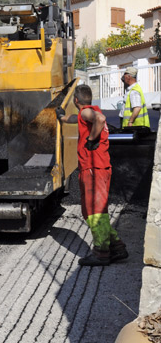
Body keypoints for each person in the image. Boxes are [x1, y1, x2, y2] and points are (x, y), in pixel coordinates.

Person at [57, 84, 128, 266]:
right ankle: (117, 247)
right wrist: (62, 117)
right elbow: (78, 118)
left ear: (75, 100)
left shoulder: (90, 113)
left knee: (94, 212)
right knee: (97, 211)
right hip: (100, 168)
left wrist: (90, 140)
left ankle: (101, 253)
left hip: (93, 170)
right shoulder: (88, 111)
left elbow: (100, 119)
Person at [119, 66, 150, 131]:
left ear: (128, 76)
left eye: (124, 76)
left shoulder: (134, 91)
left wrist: (130, 121)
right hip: (135, 127)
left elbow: (137, 108)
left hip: (134, 127)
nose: (123, 78)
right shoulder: (133, 89)